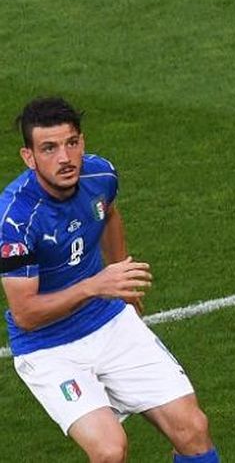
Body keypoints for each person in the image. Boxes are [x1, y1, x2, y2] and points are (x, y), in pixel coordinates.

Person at [0, 97, 220, 463]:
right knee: (109, 450)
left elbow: (108, 214)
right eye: (49, 148)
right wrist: (95, 285)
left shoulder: (99, 175)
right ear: (29, 157)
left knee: (192, 427)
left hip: (109, 322)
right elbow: (25, 314)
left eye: (72, 143)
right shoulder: (14, 221)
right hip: (49, 349)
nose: (65, 158)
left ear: (82, 141)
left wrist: (122, 277)